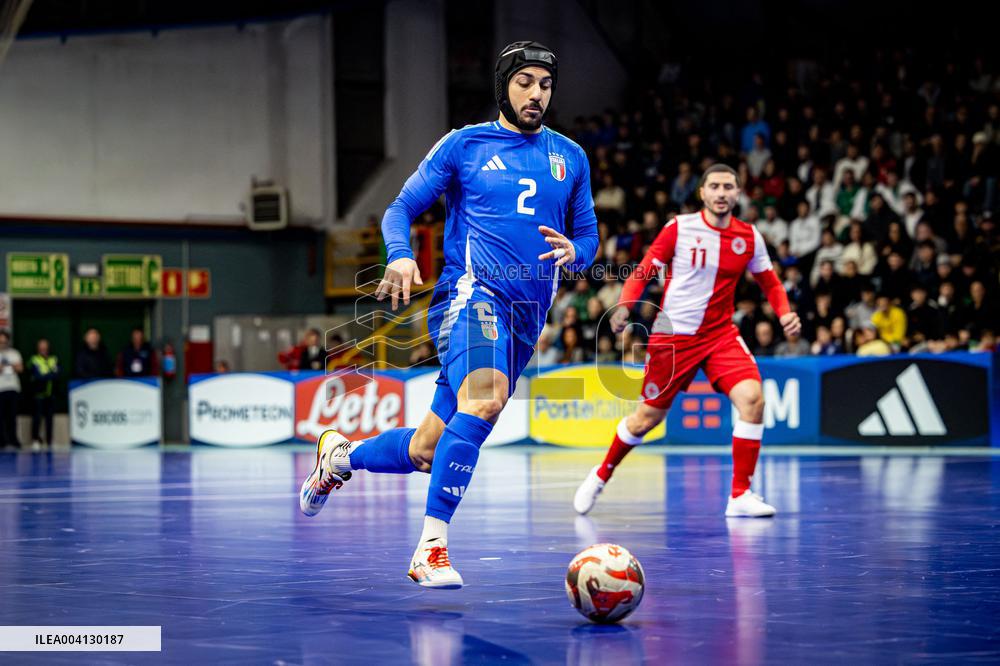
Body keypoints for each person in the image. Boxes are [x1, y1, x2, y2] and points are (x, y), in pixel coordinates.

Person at [298, 42, 598, 589]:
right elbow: (400, 209)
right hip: (471, 294)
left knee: (425, 449)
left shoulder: (570, 156)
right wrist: (402, 254)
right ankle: (430, 548)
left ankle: (339, 457)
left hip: (528, 317)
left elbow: (589, 238)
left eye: (546, 85)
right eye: (525, 81)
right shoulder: (465, 145)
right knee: (486, 395)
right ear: (504, 85)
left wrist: (578, 253)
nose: (537, 94)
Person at [574, 164, 801, 519]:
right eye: (715, 186)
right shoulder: (679, 228)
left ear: (738, 194)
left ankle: (740, 494)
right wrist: (625, 306)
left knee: (753, 400)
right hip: (672, 339)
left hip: (720, 335)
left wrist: (784, 311)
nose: (722, 193)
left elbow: (770, 282)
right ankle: (601, 474)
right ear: (703, 193)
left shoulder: (749, 237)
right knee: (645, 420)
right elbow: (643, 271)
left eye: (729, 187)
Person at [29, 338, 59, 448]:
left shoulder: (53, 359)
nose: (43, 349)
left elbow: (57, 374)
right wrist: (49, 375)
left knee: (49, 418)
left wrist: (47, 375)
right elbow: (37, 376)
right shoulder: (34, 359)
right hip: (38, 394)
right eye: (41, 346)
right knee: (37, 418)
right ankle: (35, 439)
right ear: (38, 348)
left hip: (50, 394)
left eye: (45, 346)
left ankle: (49, 441)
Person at [0, 330, 23, 449]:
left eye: (4, 341)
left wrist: (9, 366)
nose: (2, 343)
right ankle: (2, 441)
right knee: (1, 417)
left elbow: (19, 368)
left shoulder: (15, 353)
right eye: (0, 342)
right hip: (1, 388)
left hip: (13, 388)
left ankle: (13, 439)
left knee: (12, 416)